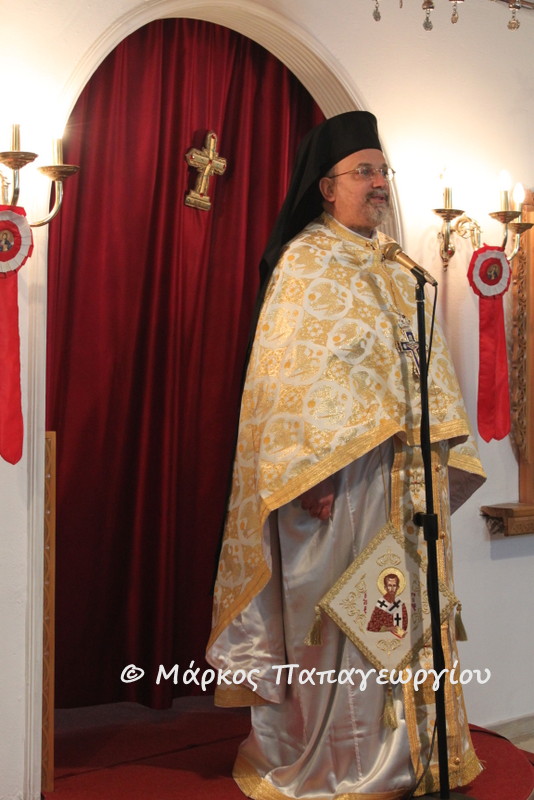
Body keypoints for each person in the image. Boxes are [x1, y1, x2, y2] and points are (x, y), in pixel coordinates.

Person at [206, 111, 486, 799]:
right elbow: (284, 381)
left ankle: (420, 754)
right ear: (327, 187)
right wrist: (308, 471)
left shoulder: (397, 267)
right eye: (364, 172)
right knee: (349, 623)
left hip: (405, 483)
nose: (378, 182)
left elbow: (422, 367)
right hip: (338, 483)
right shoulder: (306, 262)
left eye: (382, 170)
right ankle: (345, 765)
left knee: (405, 613)